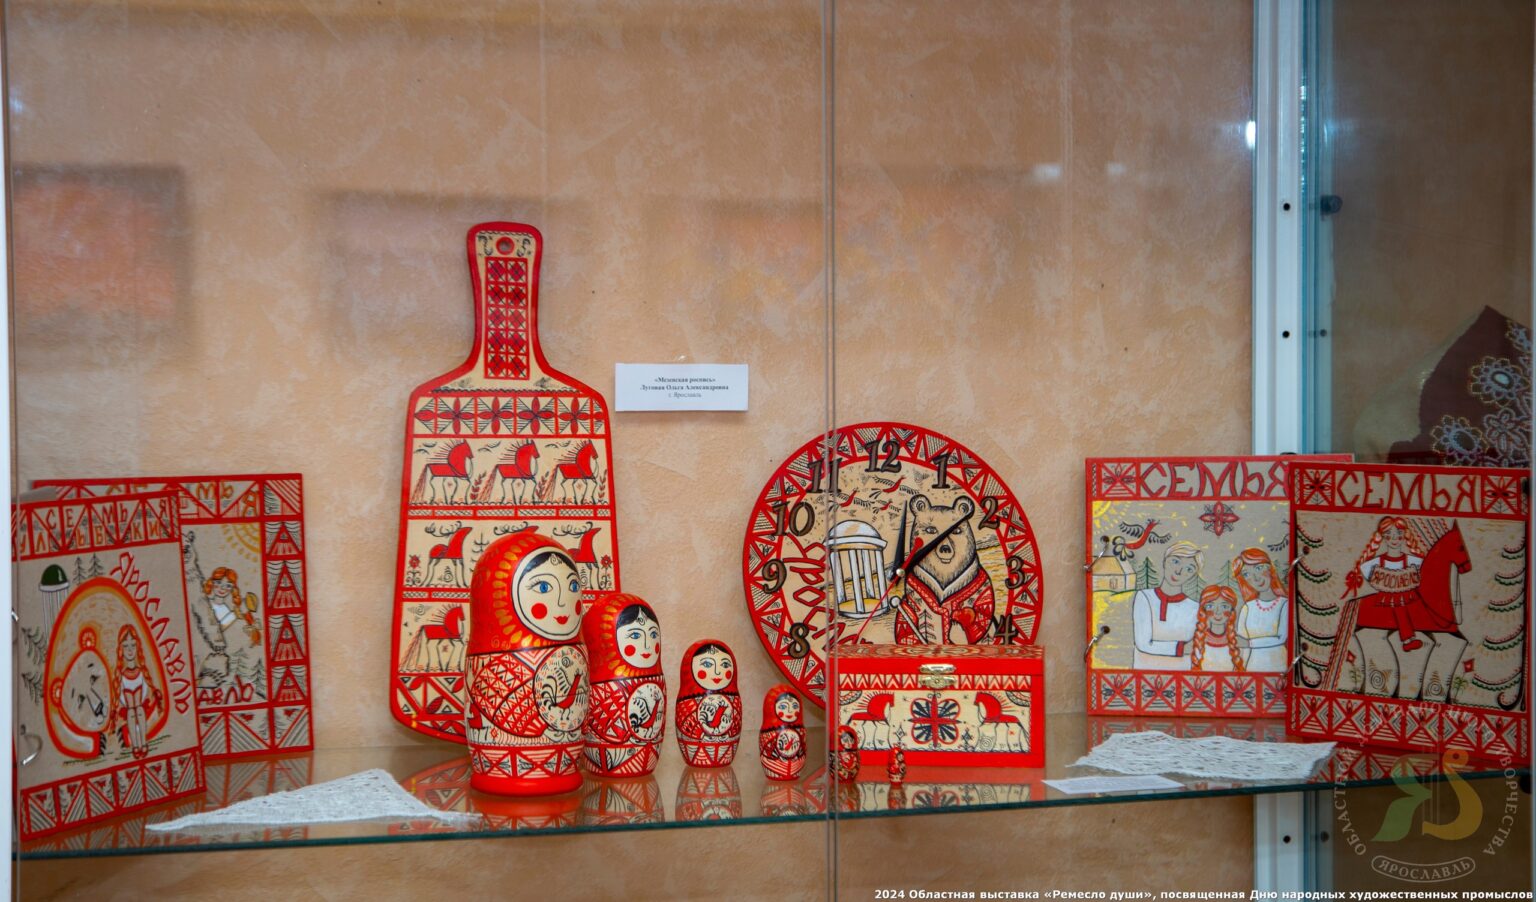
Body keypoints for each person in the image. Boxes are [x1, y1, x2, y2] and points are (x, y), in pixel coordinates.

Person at [1345, 516, 1428, 650]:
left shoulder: (1414, 562)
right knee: (1398, 602)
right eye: (1389, 535)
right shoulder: (1374, 564)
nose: (1394, 539)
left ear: (1405, 536)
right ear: (1382, 537)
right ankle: (1408, 640)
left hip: (1410, 598)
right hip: (1387, 600)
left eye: (1399, 534)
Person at [1130, 541, 1203, 670]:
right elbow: (1143, 644)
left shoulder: (1195, 608)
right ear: (1164, 561)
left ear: (1193, 575)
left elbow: (1199, 649)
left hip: (1183, 673)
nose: (1178, 571)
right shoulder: (1145, 597)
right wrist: (1181, 648)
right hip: (1146, 672)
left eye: (1189, 569)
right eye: (1175, 561)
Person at [1232, 548, 1289, 672]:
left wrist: (1249, 643)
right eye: (1246, 574)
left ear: (1270, 569)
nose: (1256, 578)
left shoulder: (1284, 604)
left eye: (1259, 568)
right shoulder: (1247, 608)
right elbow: (1242, 643)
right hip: (1252, 666)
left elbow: (1281, 638)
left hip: (1278, 666)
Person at [1190, 585, 1245, 672]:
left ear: (1231, 611)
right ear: (1204, 611)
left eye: (1224, 607)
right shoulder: (1199, 640)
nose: (1217, 612)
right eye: (1210, 606)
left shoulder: (1239, 643)